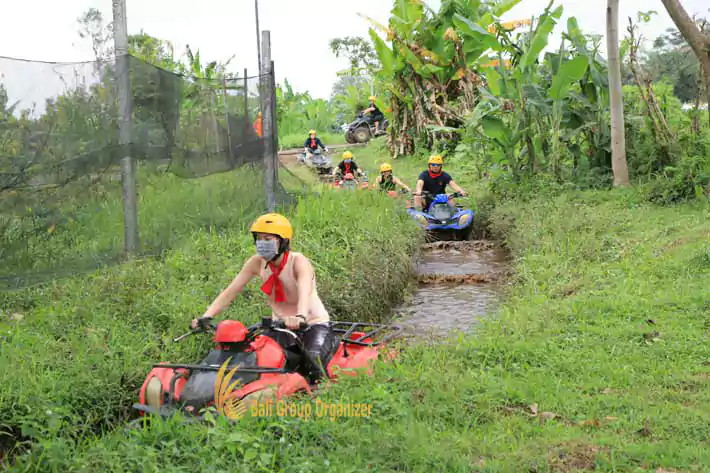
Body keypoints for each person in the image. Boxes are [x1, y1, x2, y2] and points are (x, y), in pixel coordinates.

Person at [191, 213, 338, 384]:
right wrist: (206, 316)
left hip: (312, 323)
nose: (262, 243)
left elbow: (305, 292)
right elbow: (230, 292)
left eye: (267, 238)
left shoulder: (298, 262)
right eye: (259, 238)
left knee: (313, 363)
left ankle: (320, 396)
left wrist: (300, 316)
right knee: (258, 360)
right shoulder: (256, 263)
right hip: (279, 326)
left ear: (282, 241)